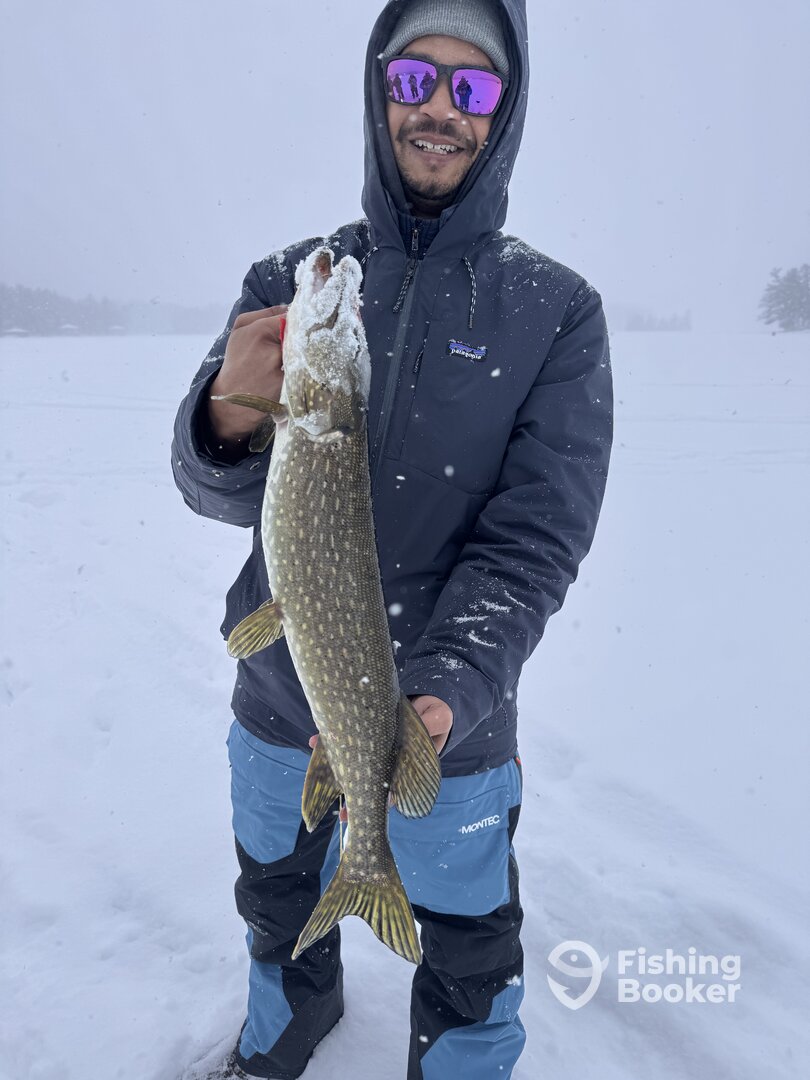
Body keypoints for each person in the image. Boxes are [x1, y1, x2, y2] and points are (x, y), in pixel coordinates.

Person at [171, 0, 613, 1077]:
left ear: (504, 112)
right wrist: (225, 418)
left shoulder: (555, 311)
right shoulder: (293, 279)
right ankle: (287, 1026)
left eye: (473, 86)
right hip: (279, 700)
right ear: (381, 93)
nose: (439, 109)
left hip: (448, 726)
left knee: (468, 949)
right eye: (416, 78)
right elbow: (213, 489)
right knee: (277, 899)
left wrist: (453, 680)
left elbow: (536, 539)